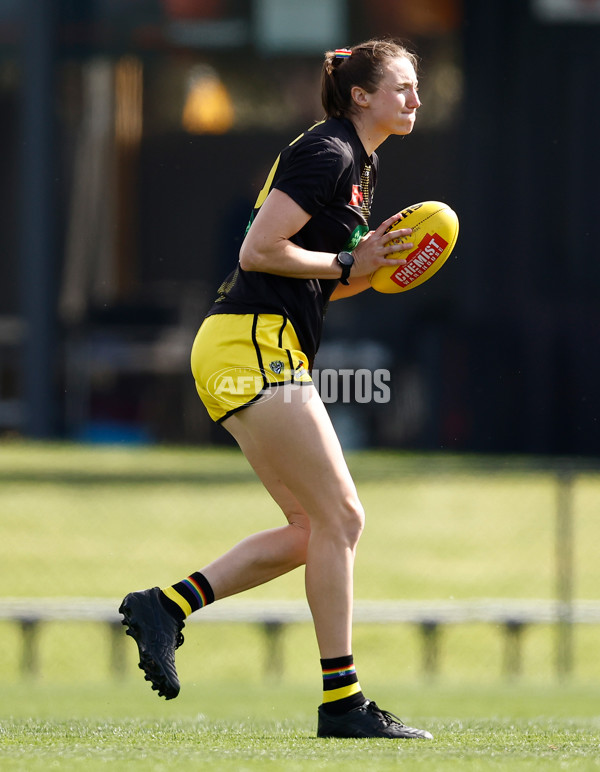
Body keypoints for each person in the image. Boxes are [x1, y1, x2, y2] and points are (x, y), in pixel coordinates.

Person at [120, 38, 433, 741]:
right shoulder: (331, 152)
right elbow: (258, 251)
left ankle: (166, 606)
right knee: (343, 518)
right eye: (405, 86)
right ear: (361, 95)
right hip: (249, 343)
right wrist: (349, 257)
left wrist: (368, 266)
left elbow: (318, 278)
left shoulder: (361, 164)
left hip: (254, 343)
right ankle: (343, 704)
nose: (418, 99)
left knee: (311, 530)